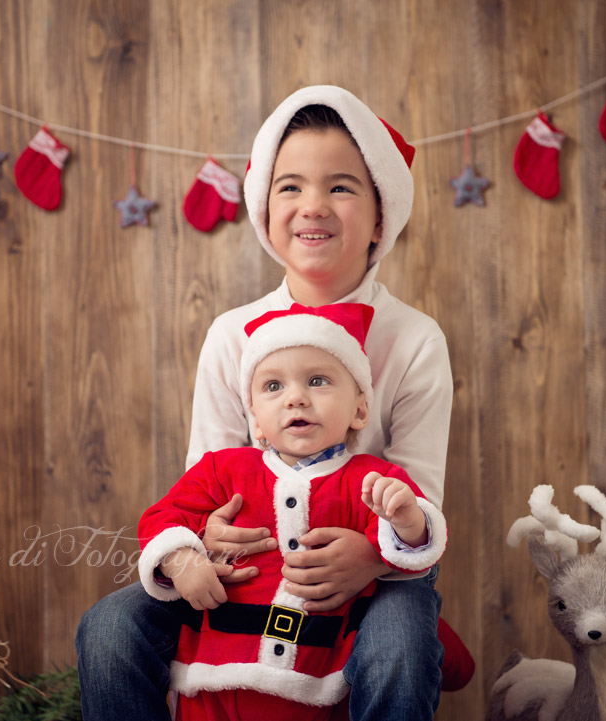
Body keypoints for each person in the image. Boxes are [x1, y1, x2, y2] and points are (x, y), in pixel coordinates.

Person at [77, 85, 459, 720]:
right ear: (264, 208)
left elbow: (419, 493)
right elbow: (208, 476)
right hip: (247, 564)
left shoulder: (415, 338)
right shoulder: (233, 333)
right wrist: (204, 537)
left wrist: (370, 555)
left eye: (341, 187)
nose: (313, 206)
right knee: (111, 628)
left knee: (400, 645)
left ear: (380, 215)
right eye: (291, 187)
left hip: (374, 567)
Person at [137, 303, 447, 721]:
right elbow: (163, 517)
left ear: (359, 410)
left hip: (320, 682)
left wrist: (408, 521)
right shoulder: (223, 470)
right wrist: (180, 558)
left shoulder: (374, 479)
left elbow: (412, 549)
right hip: (214, 682)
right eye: (273, 387)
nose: (296, 398)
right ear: (256, 422)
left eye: (317, 381)